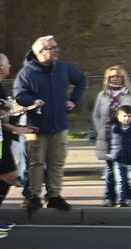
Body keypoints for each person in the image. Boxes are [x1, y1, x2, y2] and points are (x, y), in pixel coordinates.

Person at [13, 35, 86, 211]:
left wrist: (74, 100)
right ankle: (34, 195)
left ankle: (54, 195)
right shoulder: (27, 73)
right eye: (52, 48)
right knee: (35, 162)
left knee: (57, 161)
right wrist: (33, 100)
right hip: (36, 126)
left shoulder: (63, 68)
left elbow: (82, 79)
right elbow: (19, 95)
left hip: (59, 124)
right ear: (40, 52)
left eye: (56, 46)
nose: (56, 50)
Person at [90, 65, 131, 205]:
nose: (115, 79)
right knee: (110, 169)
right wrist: (100, 130)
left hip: (127, 136)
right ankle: (109, 197)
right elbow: (96, 114)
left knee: (128, 170)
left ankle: (130, 197)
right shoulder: (103, 94)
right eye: (112, 76)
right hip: (108, 136)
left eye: (118, 76)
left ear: (124, 77)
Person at [105, 104, 131, 207]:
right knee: (120, 181)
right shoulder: (114, 129)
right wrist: (112, 154)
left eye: (129, 116)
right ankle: (121, 200)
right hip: (118, 160)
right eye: (124, 116)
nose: (127, 118)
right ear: (118, 117)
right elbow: (110, 143)